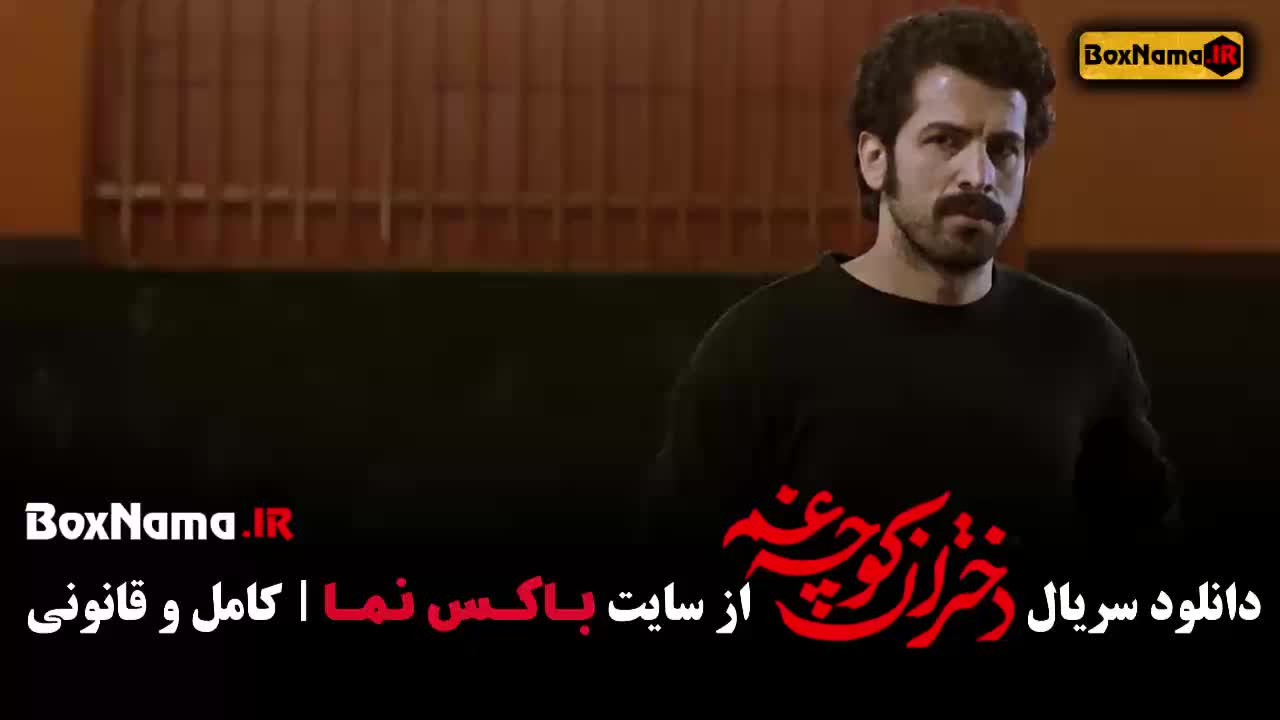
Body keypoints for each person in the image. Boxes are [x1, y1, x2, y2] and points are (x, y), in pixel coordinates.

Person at [645, 8, 1180, 640]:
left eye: (1004, 149)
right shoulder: (759, 347)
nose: (979, 174)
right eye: (945, 140)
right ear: (876, 159)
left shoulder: (1083, 347)